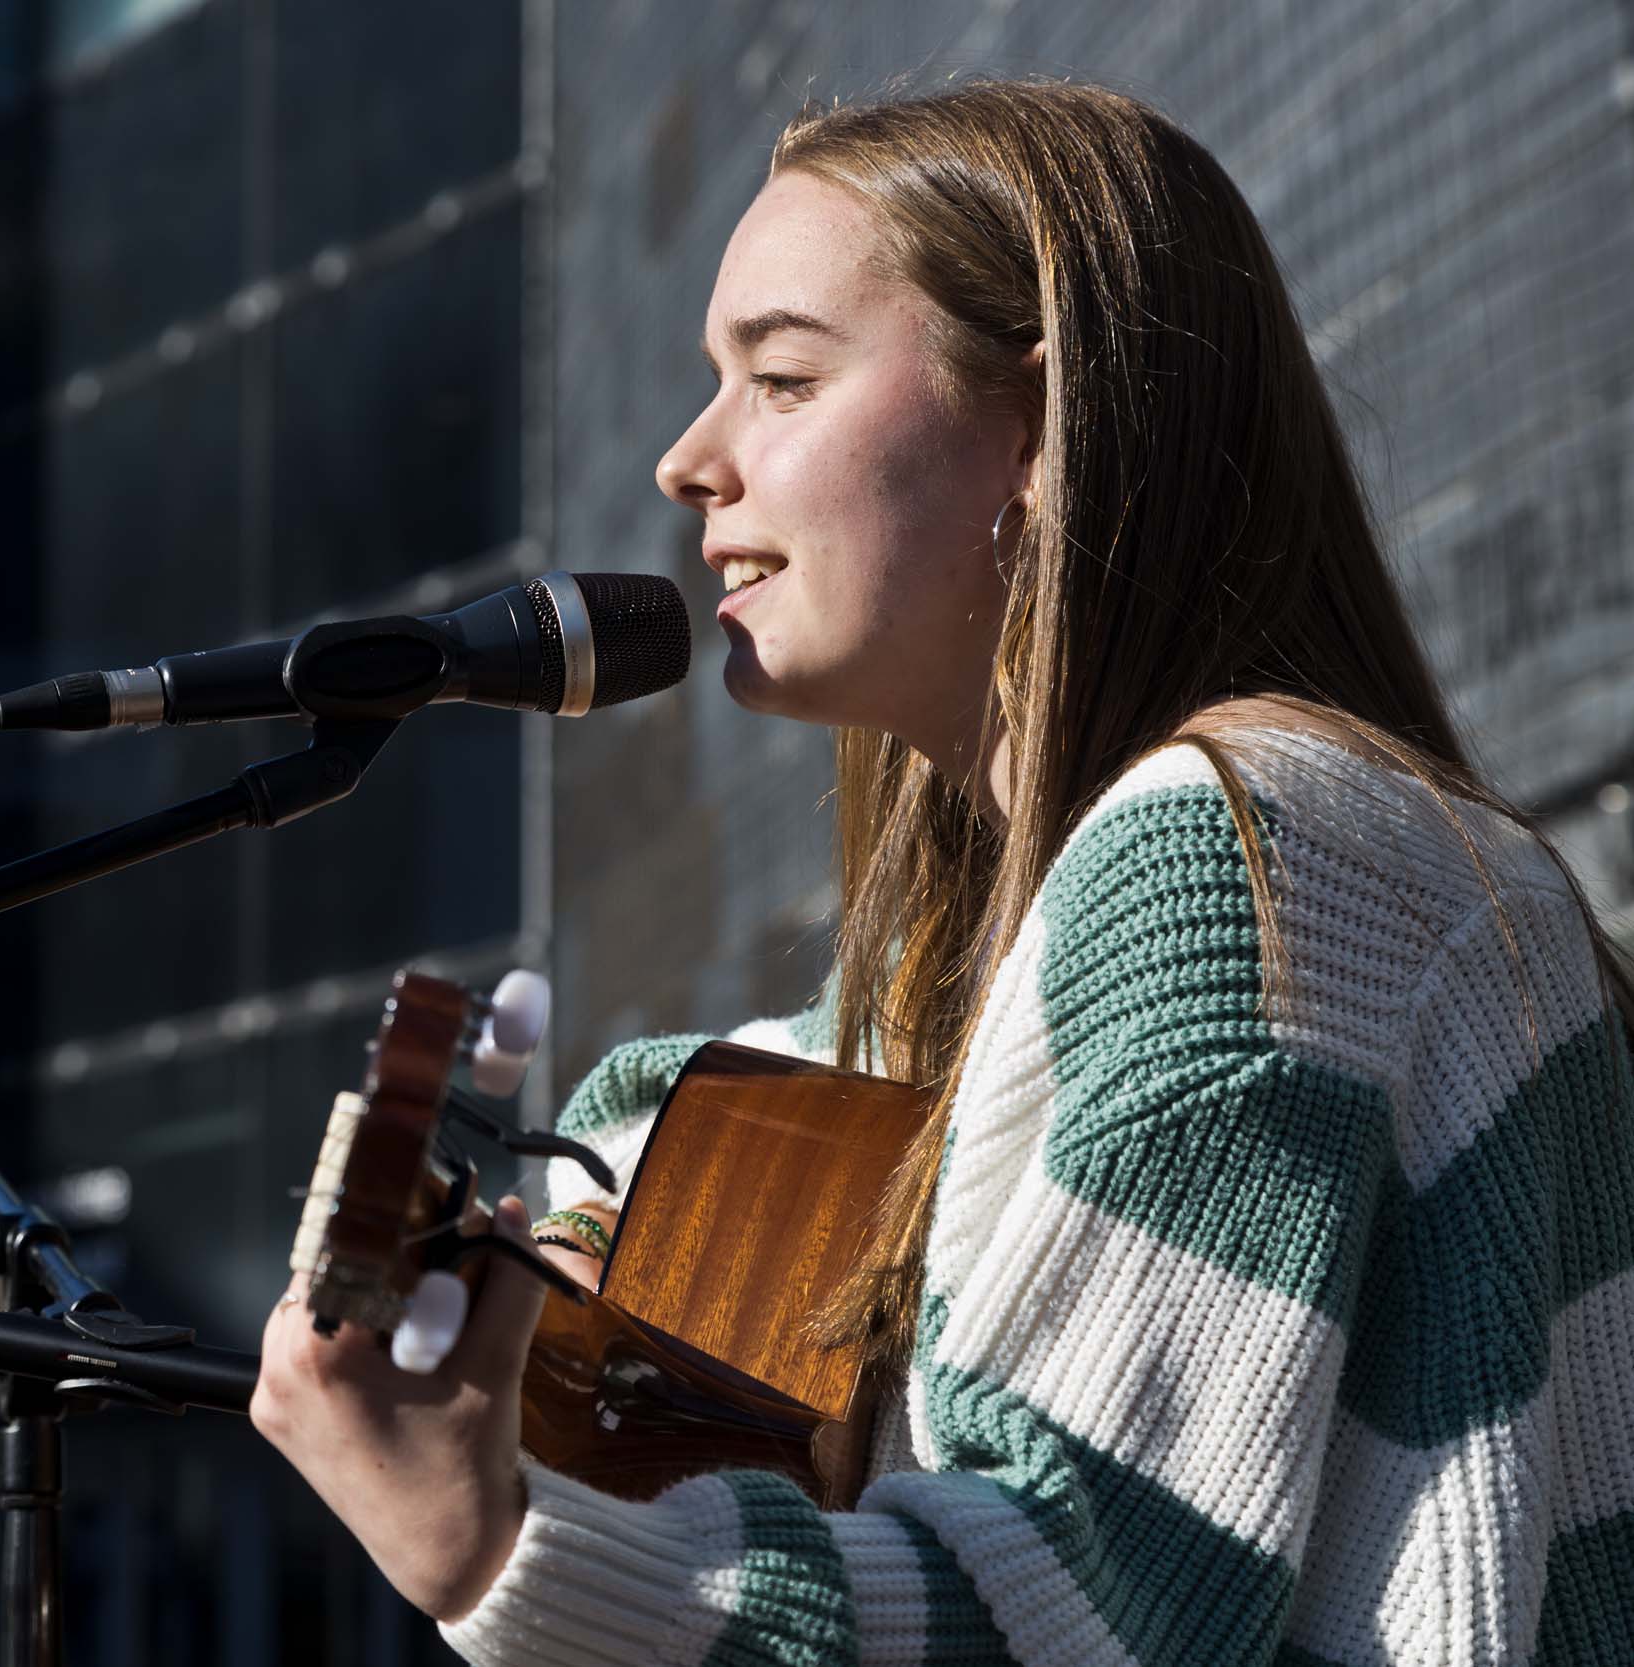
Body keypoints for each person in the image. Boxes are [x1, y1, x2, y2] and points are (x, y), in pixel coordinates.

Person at [251, 77, 1634, 1664]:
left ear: (1039, 426)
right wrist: (577, 1239)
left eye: (779, 378)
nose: (686, 462)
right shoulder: (1038, 925)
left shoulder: (1250, 847)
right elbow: (797, 1112)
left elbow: (1082, 1605)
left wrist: (495, 1544)